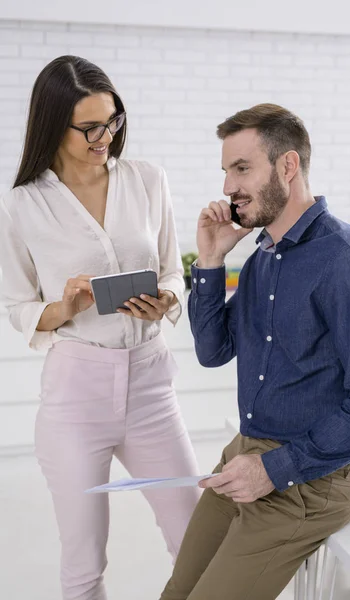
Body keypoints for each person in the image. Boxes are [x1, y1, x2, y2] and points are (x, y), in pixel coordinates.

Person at [160, 103, 350, 600]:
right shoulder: (261, 260)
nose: (228, 186)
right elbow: (213, 350)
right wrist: (210, 260)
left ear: (287, 167)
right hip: (244, 456)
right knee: (175, 593)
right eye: (226, 170)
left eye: (242, 167)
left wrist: (274, 469)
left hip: (310, 480)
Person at [0, 55, 200, 600]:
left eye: (111, 121)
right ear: (51, 125)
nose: (104, 136)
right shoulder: (23, 205)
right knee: (84, 562)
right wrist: (64, 305)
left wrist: (167, 300)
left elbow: (169, 270)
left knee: (196, 540)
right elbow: (17, 305)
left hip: (152, 385)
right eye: (89, 127)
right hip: (76, 394)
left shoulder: (147, 179)